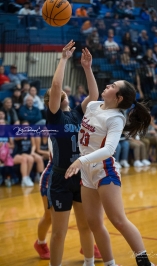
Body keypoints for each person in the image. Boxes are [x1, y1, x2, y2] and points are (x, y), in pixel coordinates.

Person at [65, 80, 156, 266]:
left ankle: (145, 262)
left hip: (104, 169)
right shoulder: (92, 105)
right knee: (94, 223)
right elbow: (92, 91)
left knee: (118, 220)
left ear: (118, 97)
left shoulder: (116, 118)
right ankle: (110, 263)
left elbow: (109, 150)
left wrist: (80, 160)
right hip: (86, 172)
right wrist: (87, 67)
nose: (108, 85)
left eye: (113, 85)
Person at [46, 41, 101, 266]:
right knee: (59, 233)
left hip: (82, 176)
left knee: (85, 226)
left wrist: (87, 68)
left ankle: (89, 262)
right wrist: (63, 60)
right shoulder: (55, 118)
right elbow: (57, 86)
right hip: (61, 177)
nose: (60, 92)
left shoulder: (78, 113)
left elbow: (94, 94)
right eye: (55, 94)